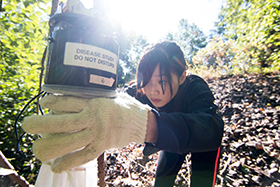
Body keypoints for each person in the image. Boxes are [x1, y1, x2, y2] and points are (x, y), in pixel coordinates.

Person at [22, 41, 224, 187]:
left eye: (162, 81)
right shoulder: (141, 90)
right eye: (147, 80)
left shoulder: (195, 86)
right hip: (170, 140)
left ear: (182, 77)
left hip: (203, 146)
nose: (153, 91)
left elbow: (212, 129)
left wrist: (147, 125)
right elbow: (114, 100)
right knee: (161, 183)